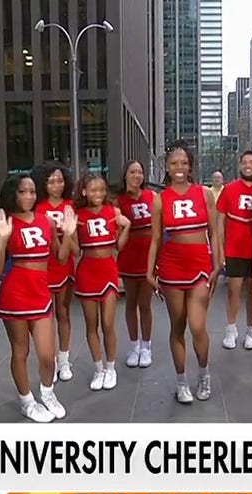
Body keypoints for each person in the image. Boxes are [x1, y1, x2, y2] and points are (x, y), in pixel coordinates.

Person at [0, 174, 75, 423]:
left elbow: (59, 259)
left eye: (32, 192)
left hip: (41, 292)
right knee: (21, 351)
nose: (28, 196)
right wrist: (2, 240)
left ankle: (47, 394)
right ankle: (27, 400)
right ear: (13, 194)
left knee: (48, 354)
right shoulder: (6, 223)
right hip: (15, 292)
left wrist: (68, 234)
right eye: (22, 192)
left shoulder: (45, 221)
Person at [145, 143, 222, 403]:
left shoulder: (204, 194)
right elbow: (155, 239)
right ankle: (181, 382)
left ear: (190, 166)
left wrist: (218, 264)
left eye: (184, 162)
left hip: (200, 264)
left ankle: (204, 374)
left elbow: (214, 232)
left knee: (197, 326)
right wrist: (149, 271)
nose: (179, 167)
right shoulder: (160, 199)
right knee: (177, 325)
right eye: (174, 163)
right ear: (167, 167)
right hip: (171, 267)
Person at [67, 172, 131, 390]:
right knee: (91, 325)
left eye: (102, 189)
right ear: (84, 192)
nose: (99, 193)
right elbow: (75, 252)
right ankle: (98, 369)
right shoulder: (79, 215)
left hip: (108, 271)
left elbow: (120, 246)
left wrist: (126, 227)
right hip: (87, 271)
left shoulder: (113, 212)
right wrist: (68, 232)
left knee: (108, 323)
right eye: (93, 190)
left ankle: (110, 368)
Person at [216, 150, 252, 351]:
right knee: (233, 290)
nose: (248, 166)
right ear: (239, 165)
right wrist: (219, 248)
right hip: (235, 247)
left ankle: (250, 329)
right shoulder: (229, 189)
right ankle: (230, 327)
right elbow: (220, 221)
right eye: (244, 162)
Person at [33, 162, 77, 382]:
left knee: (63, 312)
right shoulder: (38, 206)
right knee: (45, 316)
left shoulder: (71, 205)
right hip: (43, 265)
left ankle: (64, 359)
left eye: (59, 180)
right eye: (51, 181)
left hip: (65, 263)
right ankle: (48, 357)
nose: (56, 185)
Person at [116, 160, 156, 368]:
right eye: (132, 172)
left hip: (149, 254)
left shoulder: (152, 196)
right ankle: (134, 346)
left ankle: (147, 346)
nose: (137, 176)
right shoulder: (119, 201)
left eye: (140, 172)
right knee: (130, 301)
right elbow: (117, 231)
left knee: (145, 303)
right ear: (125, 175)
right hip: (129, 253)